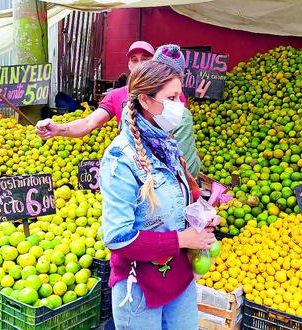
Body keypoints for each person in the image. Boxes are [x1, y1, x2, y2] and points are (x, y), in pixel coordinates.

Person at [99, 60, 218, 329]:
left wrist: (202, 215)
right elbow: (117, 238)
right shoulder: (120, 159)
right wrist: (183, 238)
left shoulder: (168, 145)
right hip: (139, 287)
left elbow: (180, 200)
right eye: (172, 98)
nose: (180, 106)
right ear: (145, 100)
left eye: (180, 97)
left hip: (179, 279)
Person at [36, 42, 201, 177]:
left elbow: (181, 145)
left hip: (165, 174)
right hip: (133, 167)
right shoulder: (116, 96)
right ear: (129, 64)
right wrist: (58, 128)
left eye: (145, 59)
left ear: (155, 65)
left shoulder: (172, 96)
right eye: (134, 60)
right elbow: (88, 122)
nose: (139, 64)